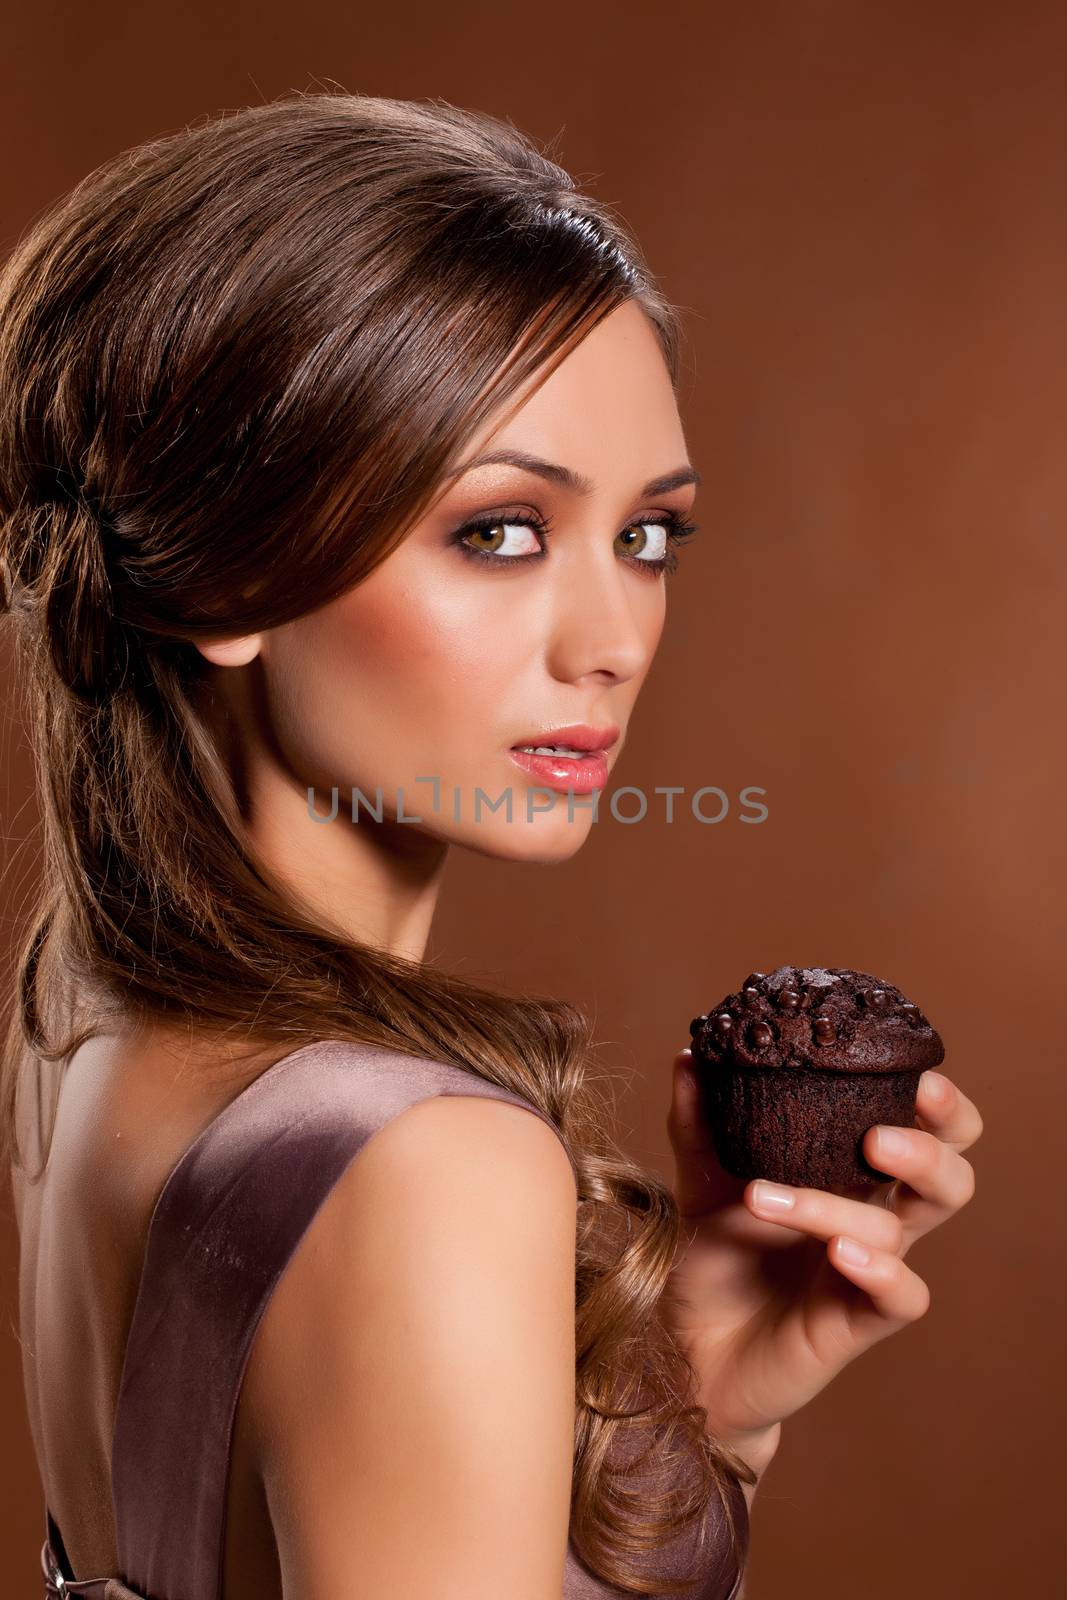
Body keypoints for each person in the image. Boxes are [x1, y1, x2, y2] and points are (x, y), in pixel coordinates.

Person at [0, 92, 981, 1600]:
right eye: (503, 530)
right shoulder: (427, 1167)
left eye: (649, 536)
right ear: (222, 570)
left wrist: (690, 1409)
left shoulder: (75, 1025)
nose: (614, 643)